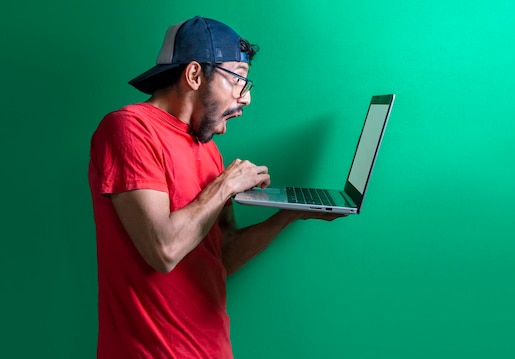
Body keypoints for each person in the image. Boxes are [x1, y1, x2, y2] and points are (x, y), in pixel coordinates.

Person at [88, 16, 341, 358]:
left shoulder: (208, 149)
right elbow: (163, 250)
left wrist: (286, 216)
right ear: (194, 75)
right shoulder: (129, 129)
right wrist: (224, 185)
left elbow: (221, 255)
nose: (246, 99)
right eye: (238, 80)